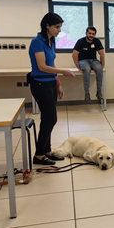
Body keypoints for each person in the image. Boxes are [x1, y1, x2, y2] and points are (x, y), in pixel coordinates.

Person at [28, 12, 75, 165]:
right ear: (47, 25)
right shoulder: (37, 42)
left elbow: (52, 64)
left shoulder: (51, 41)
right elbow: (42, 66)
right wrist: (63, 71)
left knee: (47, 119)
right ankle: (39, 155)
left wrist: (59, 83)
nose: (59, 30)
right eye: (56, 27)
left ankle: (47, 151)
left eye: (60, 27)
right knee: (51, 119)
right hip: (40, 84)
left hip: (51, 83)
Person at [72, 27, 105, 101]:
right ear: (86, 33)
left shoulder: (96, 41)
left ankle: (99, 92)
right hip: (83, 61)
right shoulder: (80, 41)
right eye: (89, 33)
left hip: (93, 60)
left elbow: (102, 53)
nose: (91, 35)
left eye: (93, 34)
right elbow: (74, 54)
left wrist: (102, 66)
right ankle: (87, 93)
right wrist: (78, 67)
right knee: (87, 69)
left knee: (99, 68)